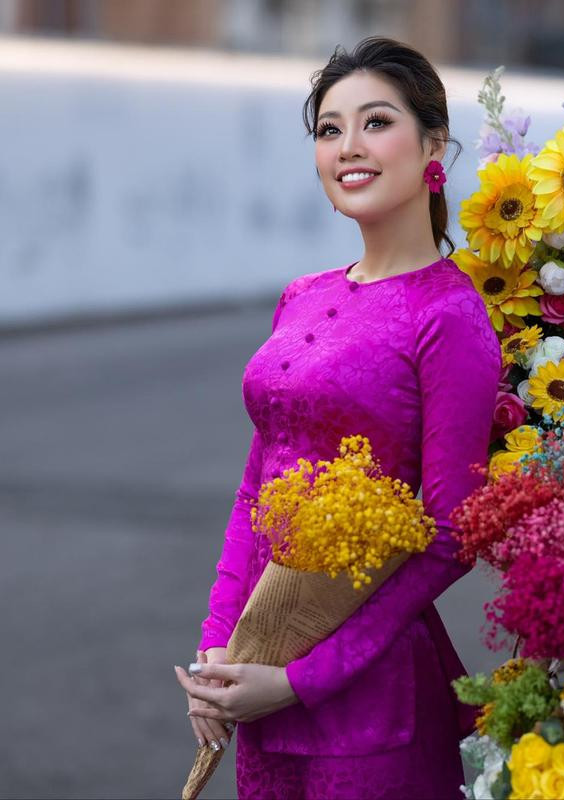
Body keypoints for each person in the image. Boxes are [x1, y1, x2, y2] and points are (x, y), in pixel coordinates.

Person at [171, 35, 501, 799]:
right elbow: (256, 486)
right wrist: (221, 651)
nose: (348, 147)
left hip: (368, 706)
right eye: (328, 129)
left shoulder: (450, 317)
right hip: (261, 683)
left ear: (434, 147)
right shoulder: (303, 294)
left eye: (376, 122)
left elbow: (451, 536)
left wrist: (299, 679)